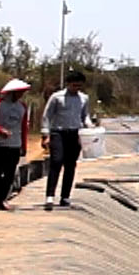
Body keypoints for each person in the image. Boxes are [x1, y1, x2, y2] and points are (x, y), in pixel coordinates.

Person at [41, 70, 97, 209]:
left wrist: (89, 125)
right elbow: (47, 116)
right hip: (58, 133)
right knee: (56, 161)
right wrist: (45, 134)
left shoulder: (83, 98)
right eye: (74, 85)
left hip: (75, 133)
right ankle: (50, 196)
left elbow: (85, 116)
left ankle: (65, 196)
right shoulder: (57, 97)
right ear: (68, 84)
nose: (76, 88)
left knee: (70, 165)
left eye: (79, 86)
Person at [0, 78, 30, 209]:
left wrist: (23, 146)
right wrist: (0, 130)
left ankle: (1, 199)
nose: (21, 95)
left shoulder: (22, 107)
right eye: (19, 92)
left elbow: (23, 128)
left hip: (14, 145)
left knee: (9, 174)